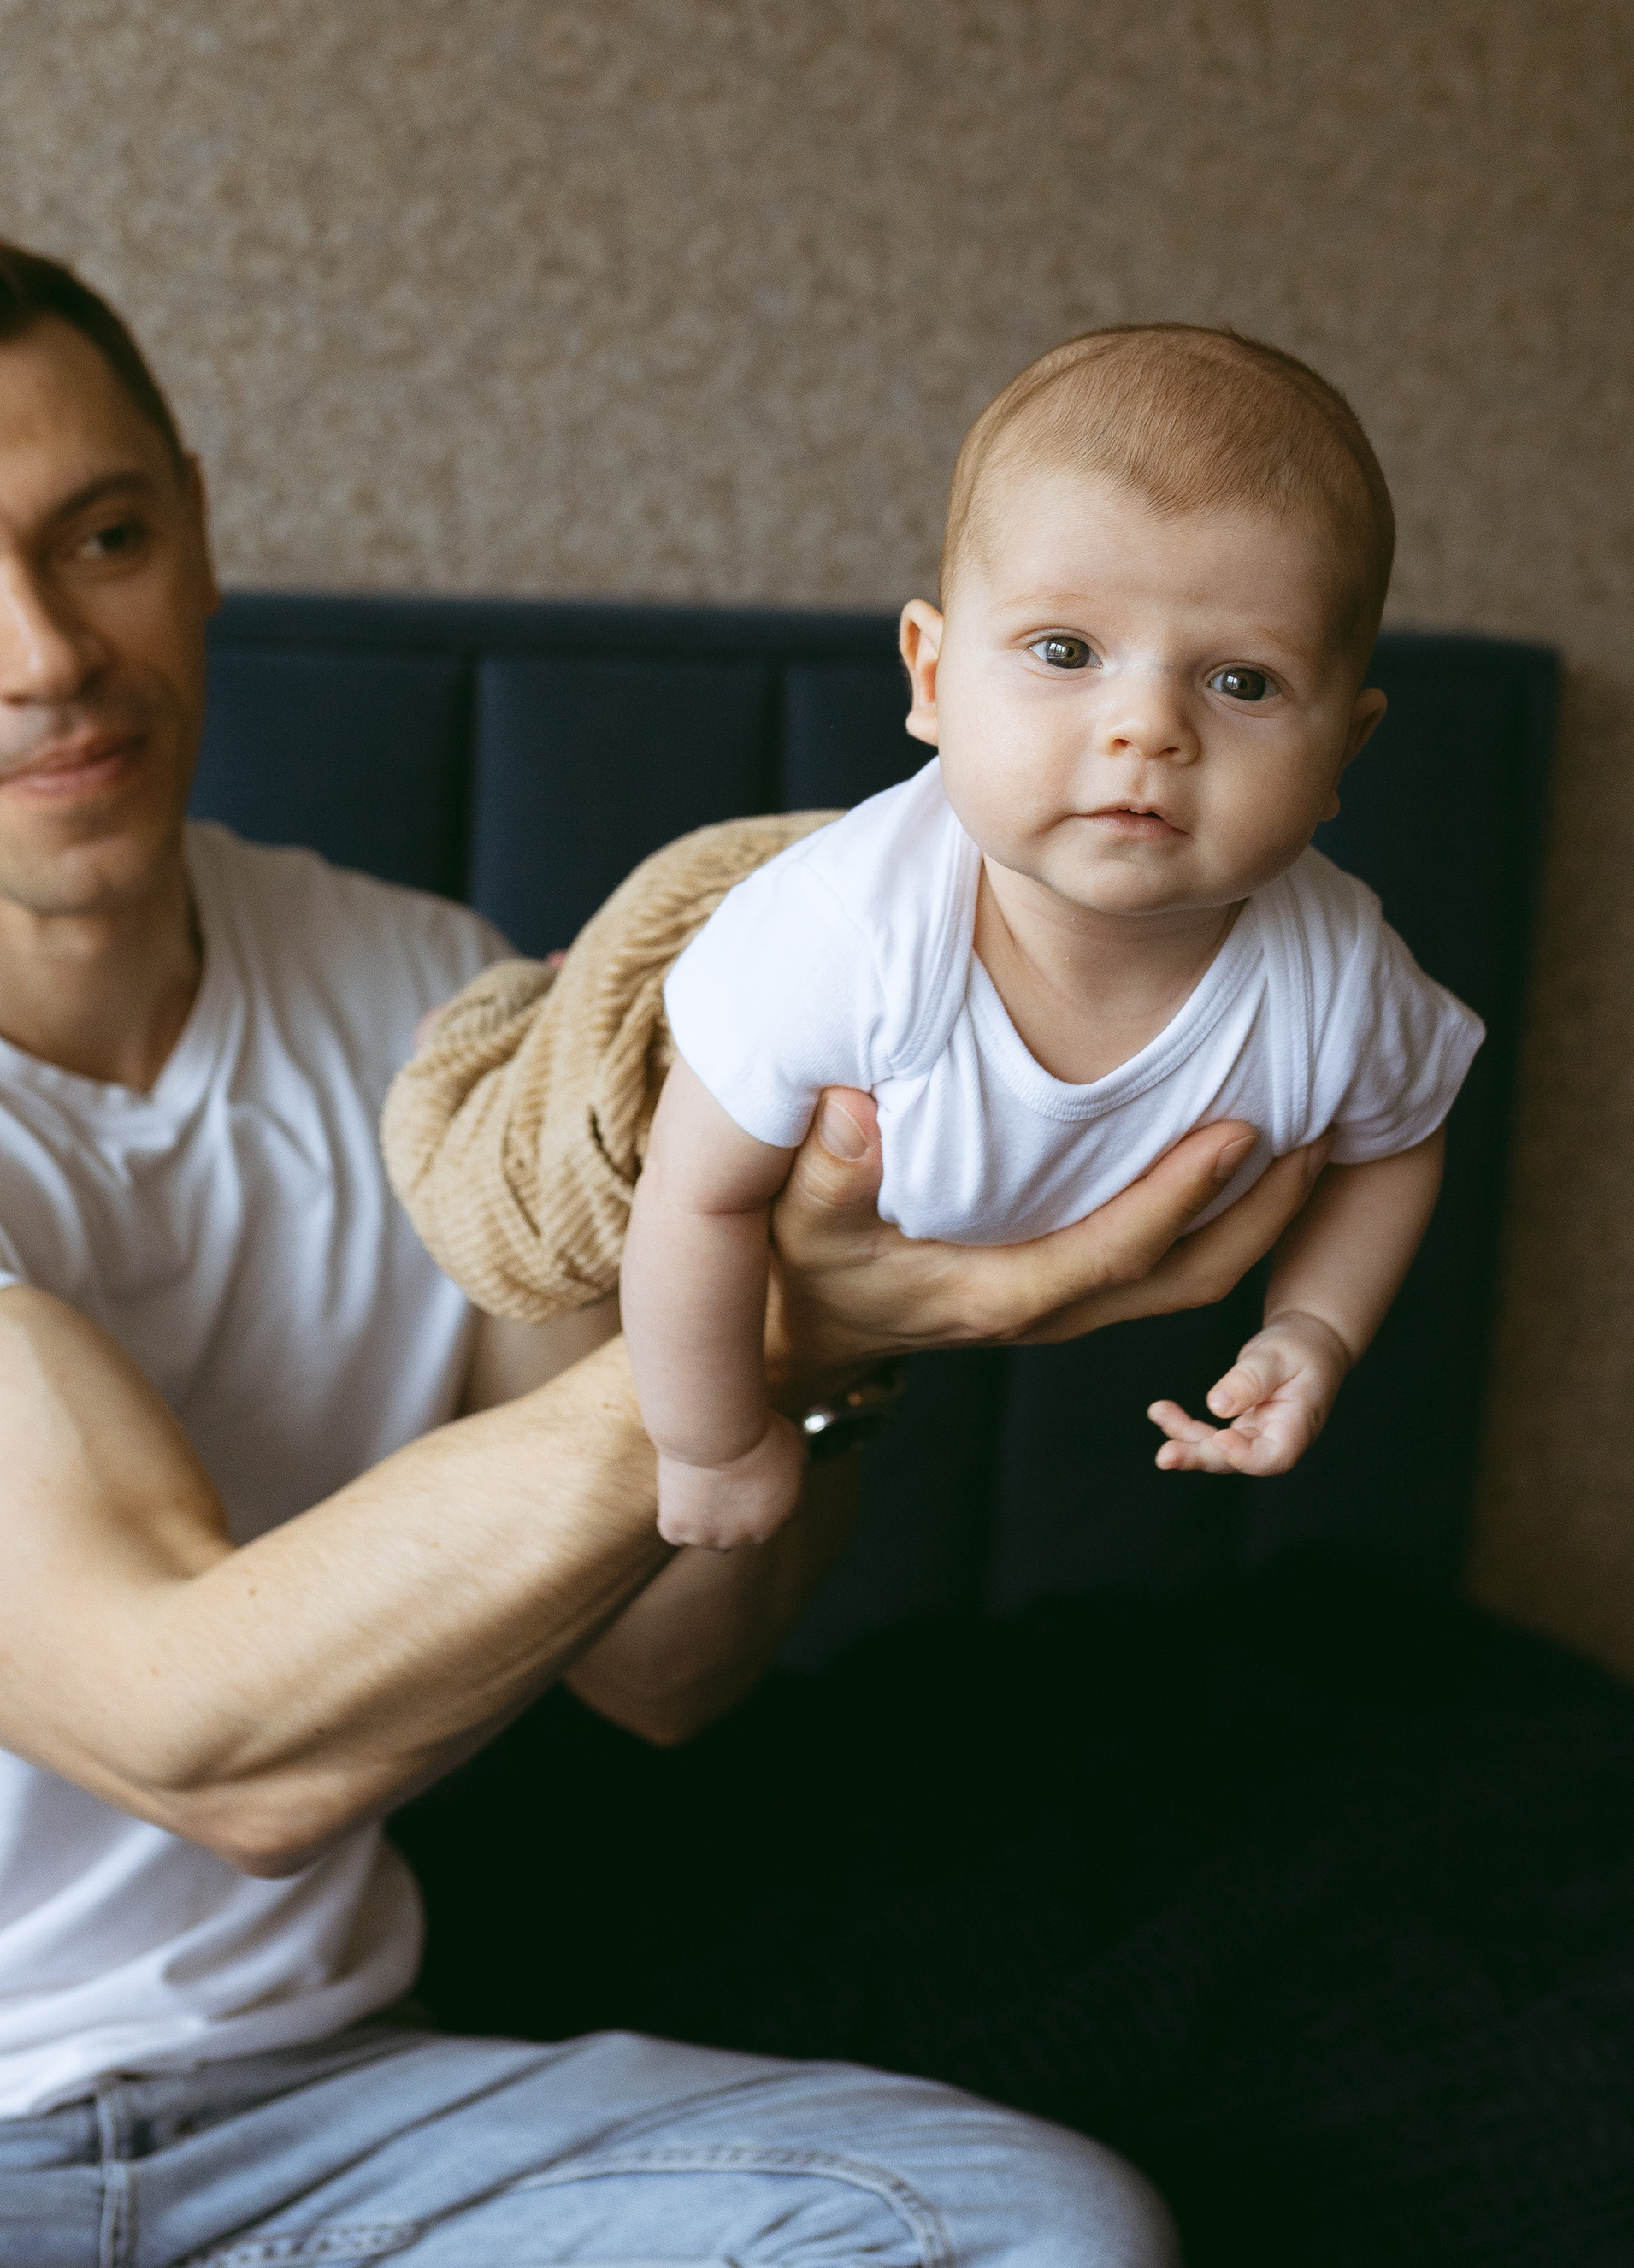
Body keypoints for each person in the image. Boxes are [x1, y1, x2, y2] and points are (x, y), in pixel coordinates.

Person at [0, 233, 1331, 2268]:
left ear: (192, 523)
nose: (50, 651)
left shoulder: (432, 997)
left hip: (322, 2137)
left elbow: (668, 1667)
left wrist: (826, 1273)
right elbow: (206, 1740)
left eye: (101, 536)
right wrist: (772, 1321)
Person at [620, 323, 1483, 1547]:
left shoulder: (1337, 981)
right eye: (1066, 652)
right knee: (546, 1147)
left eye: (1241, 682)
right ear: (930, 678)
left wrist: (1314, 1328)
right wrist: (709, 1440)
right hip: (663, 1173)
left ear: (1345, 749)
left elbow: (1398, 1144)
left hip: (919, 1274)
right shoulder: (840, 937)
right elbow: (691, 1204)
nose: (1147, 727)